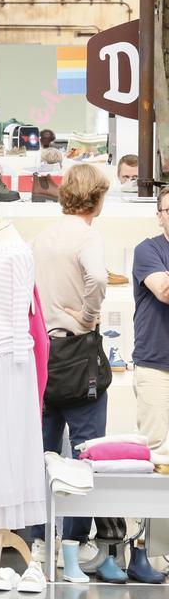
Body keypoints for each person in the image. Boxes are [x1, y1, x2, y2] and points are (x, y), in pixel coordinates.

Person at [29, 164, 110, 566]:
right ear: (97, 198)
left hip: (44, 353)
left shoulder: (42, 237)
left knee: (41, 451)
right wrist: (89, 315)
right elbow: (98, 277)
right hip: (79, 355)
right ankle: (74, 544)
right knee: (85, 453)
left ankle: (38, 538)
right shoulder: (87, 236)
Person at [134, 187, 169, 450]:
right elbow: (165, 291)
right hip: (156, 368)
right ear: (159, 216)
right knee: (157, 450)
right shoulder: (147, 250)